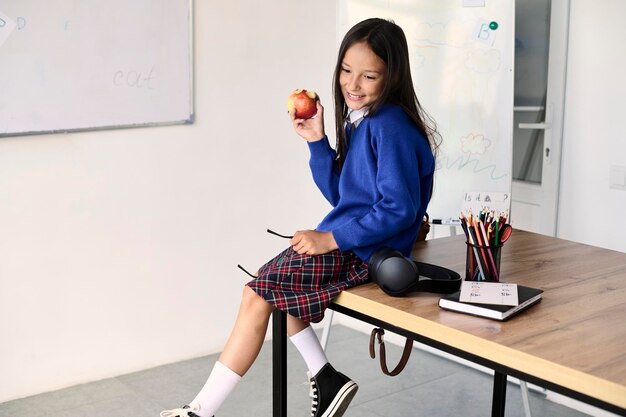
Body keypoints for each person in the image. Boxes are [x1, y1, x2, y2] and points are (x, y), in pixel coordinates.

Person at [160, 17, 439, 417]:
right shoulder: (365, 120)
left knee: (258, 293)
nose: (353, 85)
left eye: (369, 76)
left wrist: (331, 239)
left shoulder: (389, 124)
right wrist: (317, 143)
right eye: (346, 70)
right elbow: (346, 195)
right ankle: (326, 379)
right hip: (351, 242)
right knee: (271, 289)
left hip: (361, 252)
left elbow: (399, 209)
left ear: (391, 77)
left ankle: (201, 412)